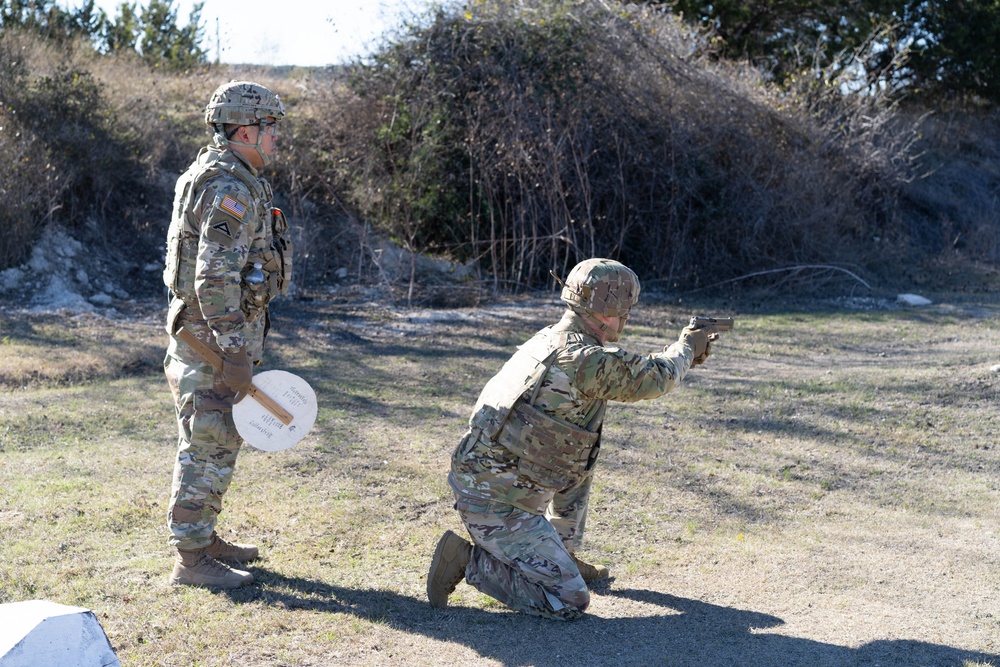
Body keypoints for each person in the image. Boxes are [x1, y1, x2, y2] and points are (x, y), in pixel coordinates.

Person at [427, 258, 722, 619]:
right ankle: (466, 561)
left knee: (578, 447)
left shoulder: (551, 337)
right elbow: (655, 378)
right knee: (569, 600)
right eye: (626, 309)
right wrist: (688, 348)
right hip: (496, 502)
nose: (628, 317)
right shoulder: (584, 359)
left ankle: (559, 554)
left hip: (496, 479)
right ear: (610, 311)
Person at [162, 80, 292, 588]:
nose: (275, 138)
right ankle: (192, 561)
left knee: (211, 441)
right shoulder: (229, 187)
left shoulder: (224, 174)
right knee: (208, 444)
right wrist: (235, 351)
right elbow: (212, 277)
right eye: (270, 128)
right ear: (244, 130)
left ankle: (203, 536)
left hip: (205, 337)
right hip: (212, 343)